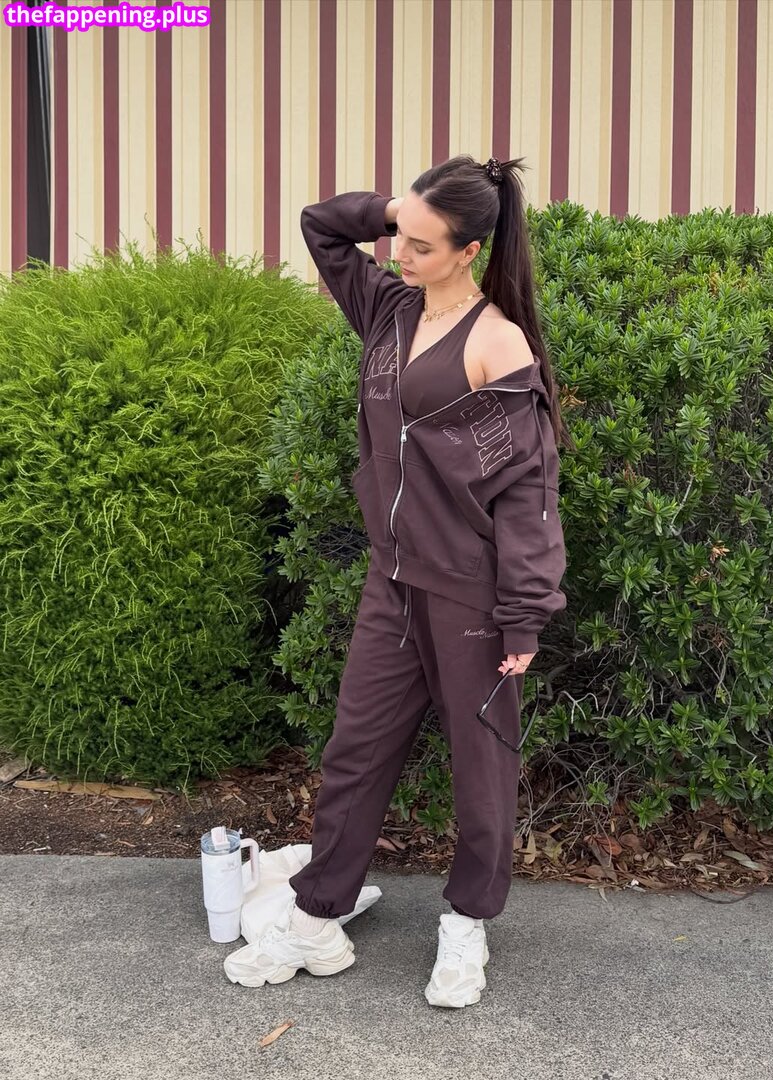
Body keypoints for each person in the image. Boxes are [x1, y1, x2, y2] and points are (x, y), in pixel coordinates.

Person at [225, 155, 569, 1007]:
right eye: (397, 238)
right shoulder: (388, 307)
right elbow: (320, 225)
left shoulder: (497, 343)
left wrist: (524, 616)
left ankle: (467, 924)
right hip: (394, 581)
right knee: (355, 750)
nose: (400, 255)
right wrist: (393, 209)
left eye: (422, 245)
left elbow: (528, 495)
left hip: (471, 596)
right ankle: (318, 916)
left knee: (480, 769)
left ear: (469, 251)